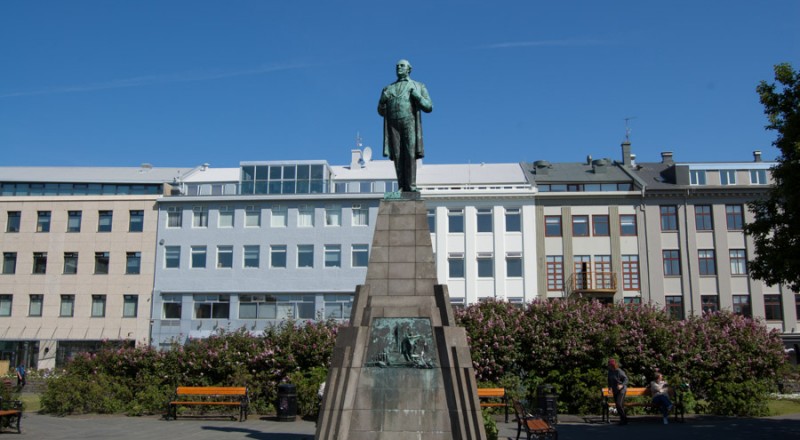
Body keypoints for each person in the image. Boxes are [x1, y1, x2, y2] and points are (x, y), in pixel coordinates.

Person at [377, 59, 433, 192]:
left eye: (402, 65)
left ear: (409, 69)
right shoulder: (388, 88)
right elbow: (380, 111)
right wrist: (382, 101)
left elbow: (429, 106)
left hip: (409, 121)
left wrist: (417, 96)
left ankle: (411, 186)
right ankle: (401, 186)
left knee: (409, 153)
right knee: (397, 155)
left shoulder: (418, 85)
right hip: (393, 123)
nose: (399, 68)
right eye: (397, 66)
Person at [607, 358, 628, 425]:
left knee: (619, 404)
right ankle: (623, 419)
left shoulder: (619, 371)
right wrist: (609, 388)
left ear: (613, 365)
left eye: (610, 365)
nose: (609, 366)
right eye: (608, 365)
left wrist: (622, 385)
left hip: (621, 390)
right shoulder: (610, 372)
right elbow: (609, 381)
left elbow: (626, 379)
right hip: (615, 389)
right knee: (618, 405)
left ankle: (624, 419)